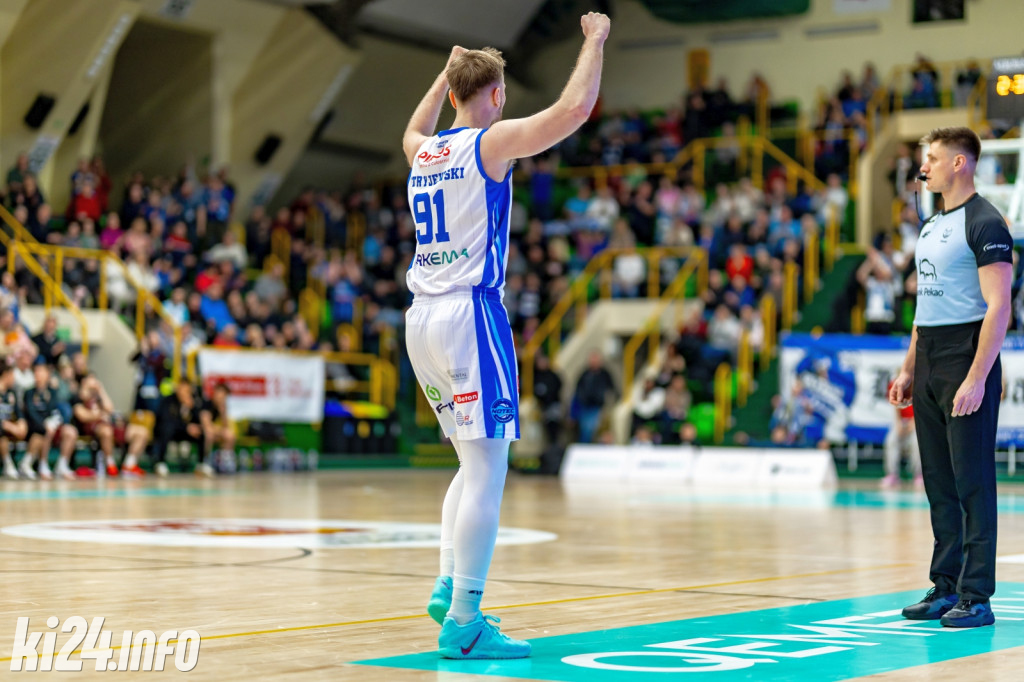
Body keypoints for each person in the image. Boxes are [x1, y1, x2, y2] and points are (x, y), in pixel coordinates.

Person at [401, 12, 609, 660]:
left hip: (421, 318)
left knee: (471, 464)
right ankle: (465, 621)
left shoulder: (424, 152)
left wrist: (444, 76)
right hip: (469, 313)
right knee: (489, 469)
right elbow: (574, 110)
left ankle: (448, 584)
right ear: (495, 95)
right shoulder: (489, 143)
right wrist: (594, 40)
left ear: (452, 94)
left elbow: (411, 128)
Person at [890, 126, 1013, 629]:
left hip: (967, 355)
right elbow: (925, 305)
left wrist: (977, 376)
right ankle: (945, 586)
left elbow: (999, 306)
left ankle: (976, 595)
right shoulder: (931, 224)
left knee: (973, 482)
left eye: (933, 159)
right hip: (930, 356)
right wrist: (908, 367)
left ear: (960, 163)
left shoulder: (986, 222)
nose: (924, 168)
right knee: (939, 482)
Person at [151, 378, 203, 477]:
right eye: (182, 389)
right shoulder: (168, 400)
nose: (184, 393)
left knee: (201, 432)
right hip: (168, 431)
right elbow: (167, 419)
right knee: (167, 429)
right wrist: (186, 427)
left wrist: (191, 408)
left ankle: (201, 464)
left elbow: (197, 421)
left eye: (187, 390)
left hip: (183, 432)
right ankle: (160, 462)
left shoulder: (192, 401)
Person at [198, 382, 235, 477]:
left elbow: (225, 427)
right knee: (209, 434)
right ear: (215, 393)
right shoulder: (206, 404)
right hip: (198, 429)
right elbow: (206, 425)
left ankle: (225, 462)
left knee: (229, 435)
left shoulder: (220, 407)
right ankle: (205, 462)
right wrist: (220, 431)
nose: (221, 398)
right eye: (220, 394)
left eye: (224, 396)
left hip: (211, 431)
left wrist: (223, 413)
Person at [0, 364, 28, 480]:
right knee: (2, 434)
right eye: (12, 375)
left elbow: (18, 411)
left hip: (9, 427)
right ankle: (8, 464)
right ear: (5, 375)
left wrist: (22, 422)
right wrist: (7, 425)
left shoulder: (11, 393)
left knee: (37, 430)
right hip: (3, 428)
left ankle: (26, 464)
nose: (14, 379)